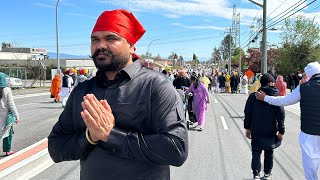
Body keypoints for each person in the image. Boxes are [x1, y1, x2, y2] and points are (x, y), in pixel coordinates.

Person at [48, 9, 188, 180]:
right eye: (95, 40)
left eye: (111, 38)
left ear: (131, 46)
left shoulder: (155, 85)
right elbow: (55, 147)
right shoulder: (82, 90)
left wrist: (110, 135)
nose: (100, 45)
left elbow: (176, 149)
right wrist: (90, 137)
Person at [255, 61, 320, 180]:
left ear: (308, 75)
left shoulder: (303, 88)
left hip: (309, 134)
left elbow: (284, 101)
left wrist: (265, 98)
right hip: (310, 133)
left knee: (310, 167)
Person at [244, 73, 285, 179]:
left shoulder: (253, 96)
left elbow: (248, 113)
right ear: (271, 83)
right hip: (271, 130)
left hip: (256, 129)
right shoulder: (275, 98)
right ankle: (267, 173)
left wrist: (247, 128)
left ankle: (256, 174)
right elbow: (281, 115)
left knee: (256, 152)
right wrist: (281, 131)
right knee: (269, 151)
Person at [0, 73, 20, 156]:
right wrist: (17, 116)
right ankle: (7, 150)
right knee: (7, 134)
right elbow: (11, 104)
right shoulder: (7, 90)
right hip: (6, 117)